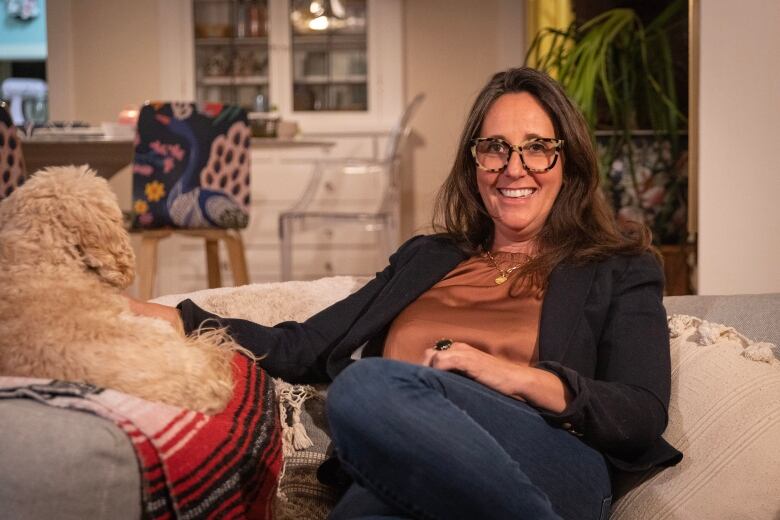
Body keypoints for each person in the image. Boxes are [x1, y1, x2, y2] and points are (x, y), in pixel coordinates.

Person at [129, 67, 682, 520]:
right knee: (362, 510)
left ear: (568, 163)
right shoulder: (428, 257)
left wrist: (504, 374)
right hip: (414, 467)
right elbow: (303, 346)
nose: (515, 168)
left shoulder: (617, 266)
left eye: (538, 148)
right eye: (495, 148)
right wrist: (169, 317)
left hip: (552, 459)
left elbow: (640, 412)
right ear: (474, 161)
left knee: (365, 387)